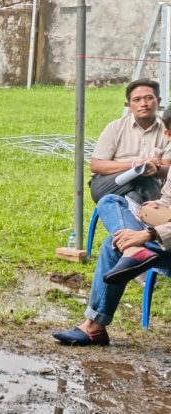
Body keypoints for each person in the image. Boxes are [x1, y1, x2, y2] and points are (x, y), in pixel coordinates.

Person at [54, 108, 171, 346]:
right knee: (110, 201)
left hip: (164, 240)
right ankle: (132, 250)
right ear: (168, 135)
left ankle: (94, 327)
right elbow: (168, 202)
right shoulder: (117, 128)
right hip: (162, 235)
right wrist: (153, 208)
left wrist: (148, 233)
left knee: (113, 243)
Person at [89, 79, 171, 203]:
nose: (143, 104)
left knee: (135, 196)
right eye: (136, 100)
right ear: (128, 105)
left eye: (149, 98)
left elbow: (168, 169)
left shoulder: (167, 130)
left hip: (149, 184)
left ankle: (137, 211)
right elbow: (96, 165)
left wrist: (155, 169)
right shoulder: (115, 127)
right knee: (140, 176)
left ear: (158, 101)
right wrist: (133, 166)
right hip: (110, 184)